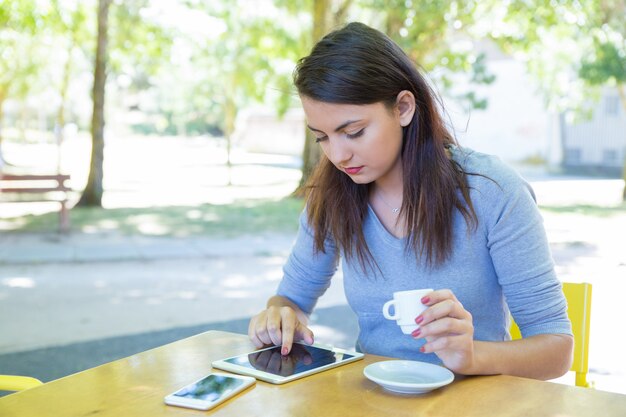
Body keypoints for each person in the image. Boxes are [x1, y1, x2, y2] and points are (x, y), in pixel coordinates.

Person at [248, 22, 573, 380]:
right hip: (373, 400)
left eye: (353, 132)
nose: (338, 155)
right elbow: (290, 300)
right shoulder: (332, 195)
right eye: (322, 137)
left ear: (403, 108)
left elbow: (556, 348)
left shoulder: (493, 192)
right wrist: (279, 316)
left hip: (475, 401)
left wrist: (473, 356)